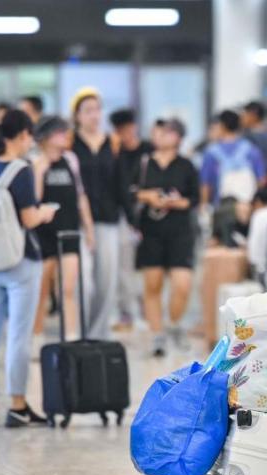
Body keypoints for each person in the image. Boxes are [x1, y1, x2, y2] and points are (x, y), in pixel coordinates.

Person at [0, 110, 58, 428]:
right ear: (20, 136)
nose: (29, 143)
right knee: (18, 336)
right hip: (20, 261)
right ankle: (18, 405)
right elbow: (28, 219)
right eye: (28, 137)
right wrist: (45, 212)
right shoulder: (21, 170)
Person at [135, 118, 199, 357]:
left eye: (167, 132)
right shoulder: (144, 163)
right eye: (159, 131)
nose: (160, 136)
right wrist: (148, 196)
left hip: (180, 230)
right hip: (151, 230)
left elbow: (195, 198)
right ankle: (157, 334)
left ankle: (174, 324)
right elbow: (131, 191)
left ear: (178, 137)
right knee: (152, 284)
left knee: (182, 284)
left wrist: (177, 202)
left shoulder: (186, 165)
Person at [30, 116, 96, 342]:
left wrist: (89, 229)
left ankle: (71, 336)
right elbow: (34, 200)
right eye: (60, 133)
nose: (65, 137)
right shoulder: (35, 162)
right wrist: (40, 171)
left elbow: (80, 196)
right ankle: (36, 335)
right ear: (47, 137)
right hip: (43, 235)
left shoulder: (71, 159)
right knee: (41, 291)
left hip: (69, 232)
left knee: (68, 288)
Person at [71, 88, 121, 340]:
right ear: (77, 115)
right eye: (88, 110)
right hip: (78, 220)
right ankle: (80, 332)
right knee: (83, 281)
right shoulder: (70, 142)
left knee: (106, 280)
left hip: (108, 217)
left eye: (97, 109)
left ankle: (99, 334)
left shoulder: (111, 142)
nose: (94, 115)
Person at [110, 108, 153, 330]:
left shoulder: (148, 150)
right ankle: (127, 312)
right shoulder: (114, 154)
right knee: (124, 269)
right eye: (120, 130)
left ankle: (149, 311)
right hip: (123, 217)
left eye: (128, 129)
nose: (125, 134)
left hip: (148, 215)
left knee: (148, 267)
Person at [200, 110, 266, 209]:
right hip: (248, 206)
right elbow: (261, 180)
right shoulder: (251, 149)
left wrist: (203, 206)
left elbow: (205, 183)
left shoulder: (211, 152)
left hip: (221, 207)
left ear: (222, 126)